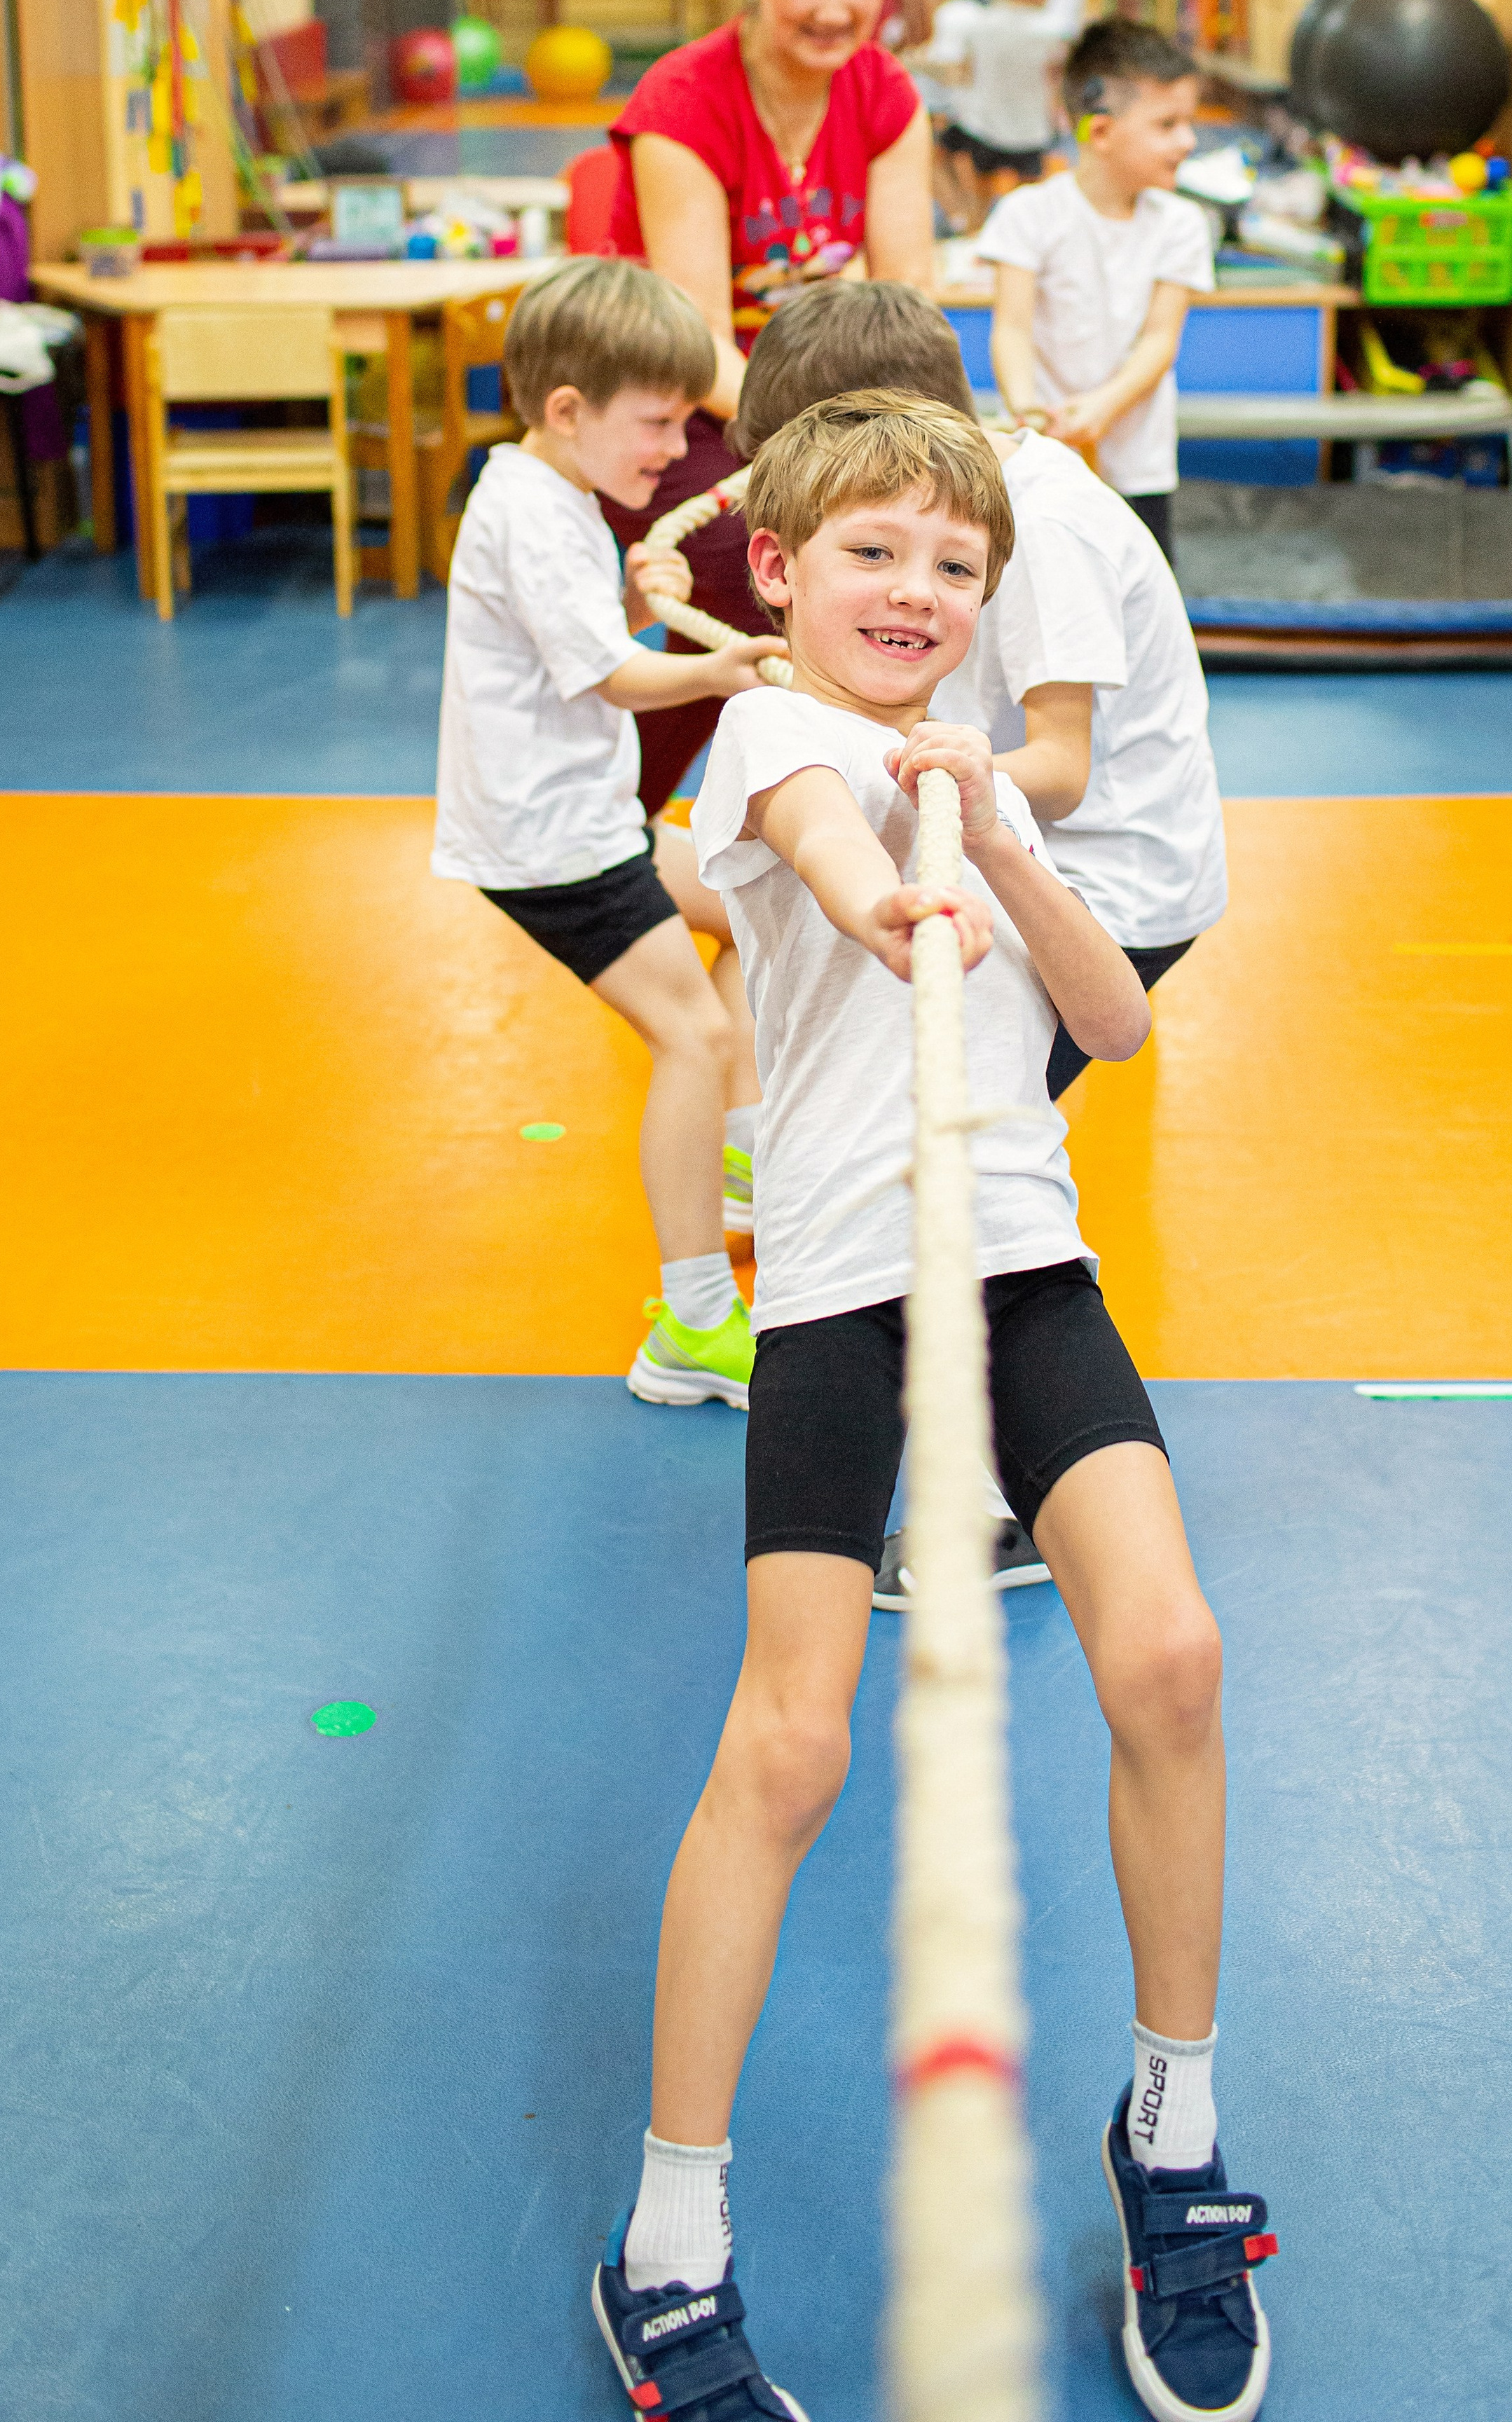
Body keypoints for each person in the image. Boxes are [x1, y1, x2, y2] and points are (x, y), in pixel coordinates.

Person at [591, 394, 1276, 2422]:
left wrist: (989, 843)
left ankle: (1171, 2135)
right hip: (839, 1295)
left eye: (953, 565)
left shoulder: (969, 768)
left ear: (989, 598)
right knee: (790, 1746)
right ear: (780, 571)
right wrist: (886, 894)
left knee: (1170, 1655)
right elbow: (816, 841)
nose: (914, 591)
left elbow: (1113, 1019)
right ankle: (667, 2243)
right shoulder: (768, 738)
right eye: (871, 554)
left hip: (1024, 1268)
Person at [729, 280, 1227, 1604]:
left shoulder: (1036, 525)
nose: (919, 582)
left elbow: (1059, 762)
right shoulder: (962, 515)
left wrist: (956, 799)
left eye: (945, 566)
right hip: (994, 840)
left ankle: (1003, 1485)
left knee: (963, 1133)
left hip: (1102, 867)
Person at [430, 258, 788, 1410]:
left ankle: (741, 1155)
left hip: (588, 815)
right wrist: (722, 667)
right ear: (569, 409)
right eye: (659, 423)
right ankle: (695, 1321)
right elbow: (612, 678)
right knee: (692, 1034)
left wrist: (639, 594)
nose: (676, 450)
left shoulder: (555, 492)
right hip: (551, 838)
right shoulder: (534, 512)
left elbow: (577, 637)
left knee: (753, 908)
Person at [602, 0, 935, 816]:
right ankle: (619, 811)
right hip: (673, 393)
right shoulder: (682, 103)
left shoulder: (885, 94)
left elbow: (905, 298)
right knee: (742, 566)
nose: (834, 8)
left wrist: (870, 440)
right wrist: (816, 448)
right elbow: (696, 335)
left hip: (813, 394)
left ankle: (856, 800)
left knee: (912, 545)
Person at [982, 17, 1211, 565]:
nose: (1188, 141)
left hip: (1139, 466)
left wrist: (1105, 407)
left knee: (1140, 591)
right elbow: (1011, 328)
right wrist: (1028, 412)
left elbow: (1160, 340)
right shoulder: (1029, 213)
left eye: (1189, 122)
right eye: (1168, 124)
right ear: (1102, 132)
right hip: (1044, 456)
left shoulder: (1181, 223)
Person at [923, 0, 1066, 226]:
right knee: (1031, 217)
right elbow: (1056, 87)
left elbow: (964, 76)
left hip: (984, 134)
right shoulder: (1051, 33)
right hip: (1030, 138)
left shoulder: (980, 24)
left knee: (975, 209)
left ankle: (963, 222)